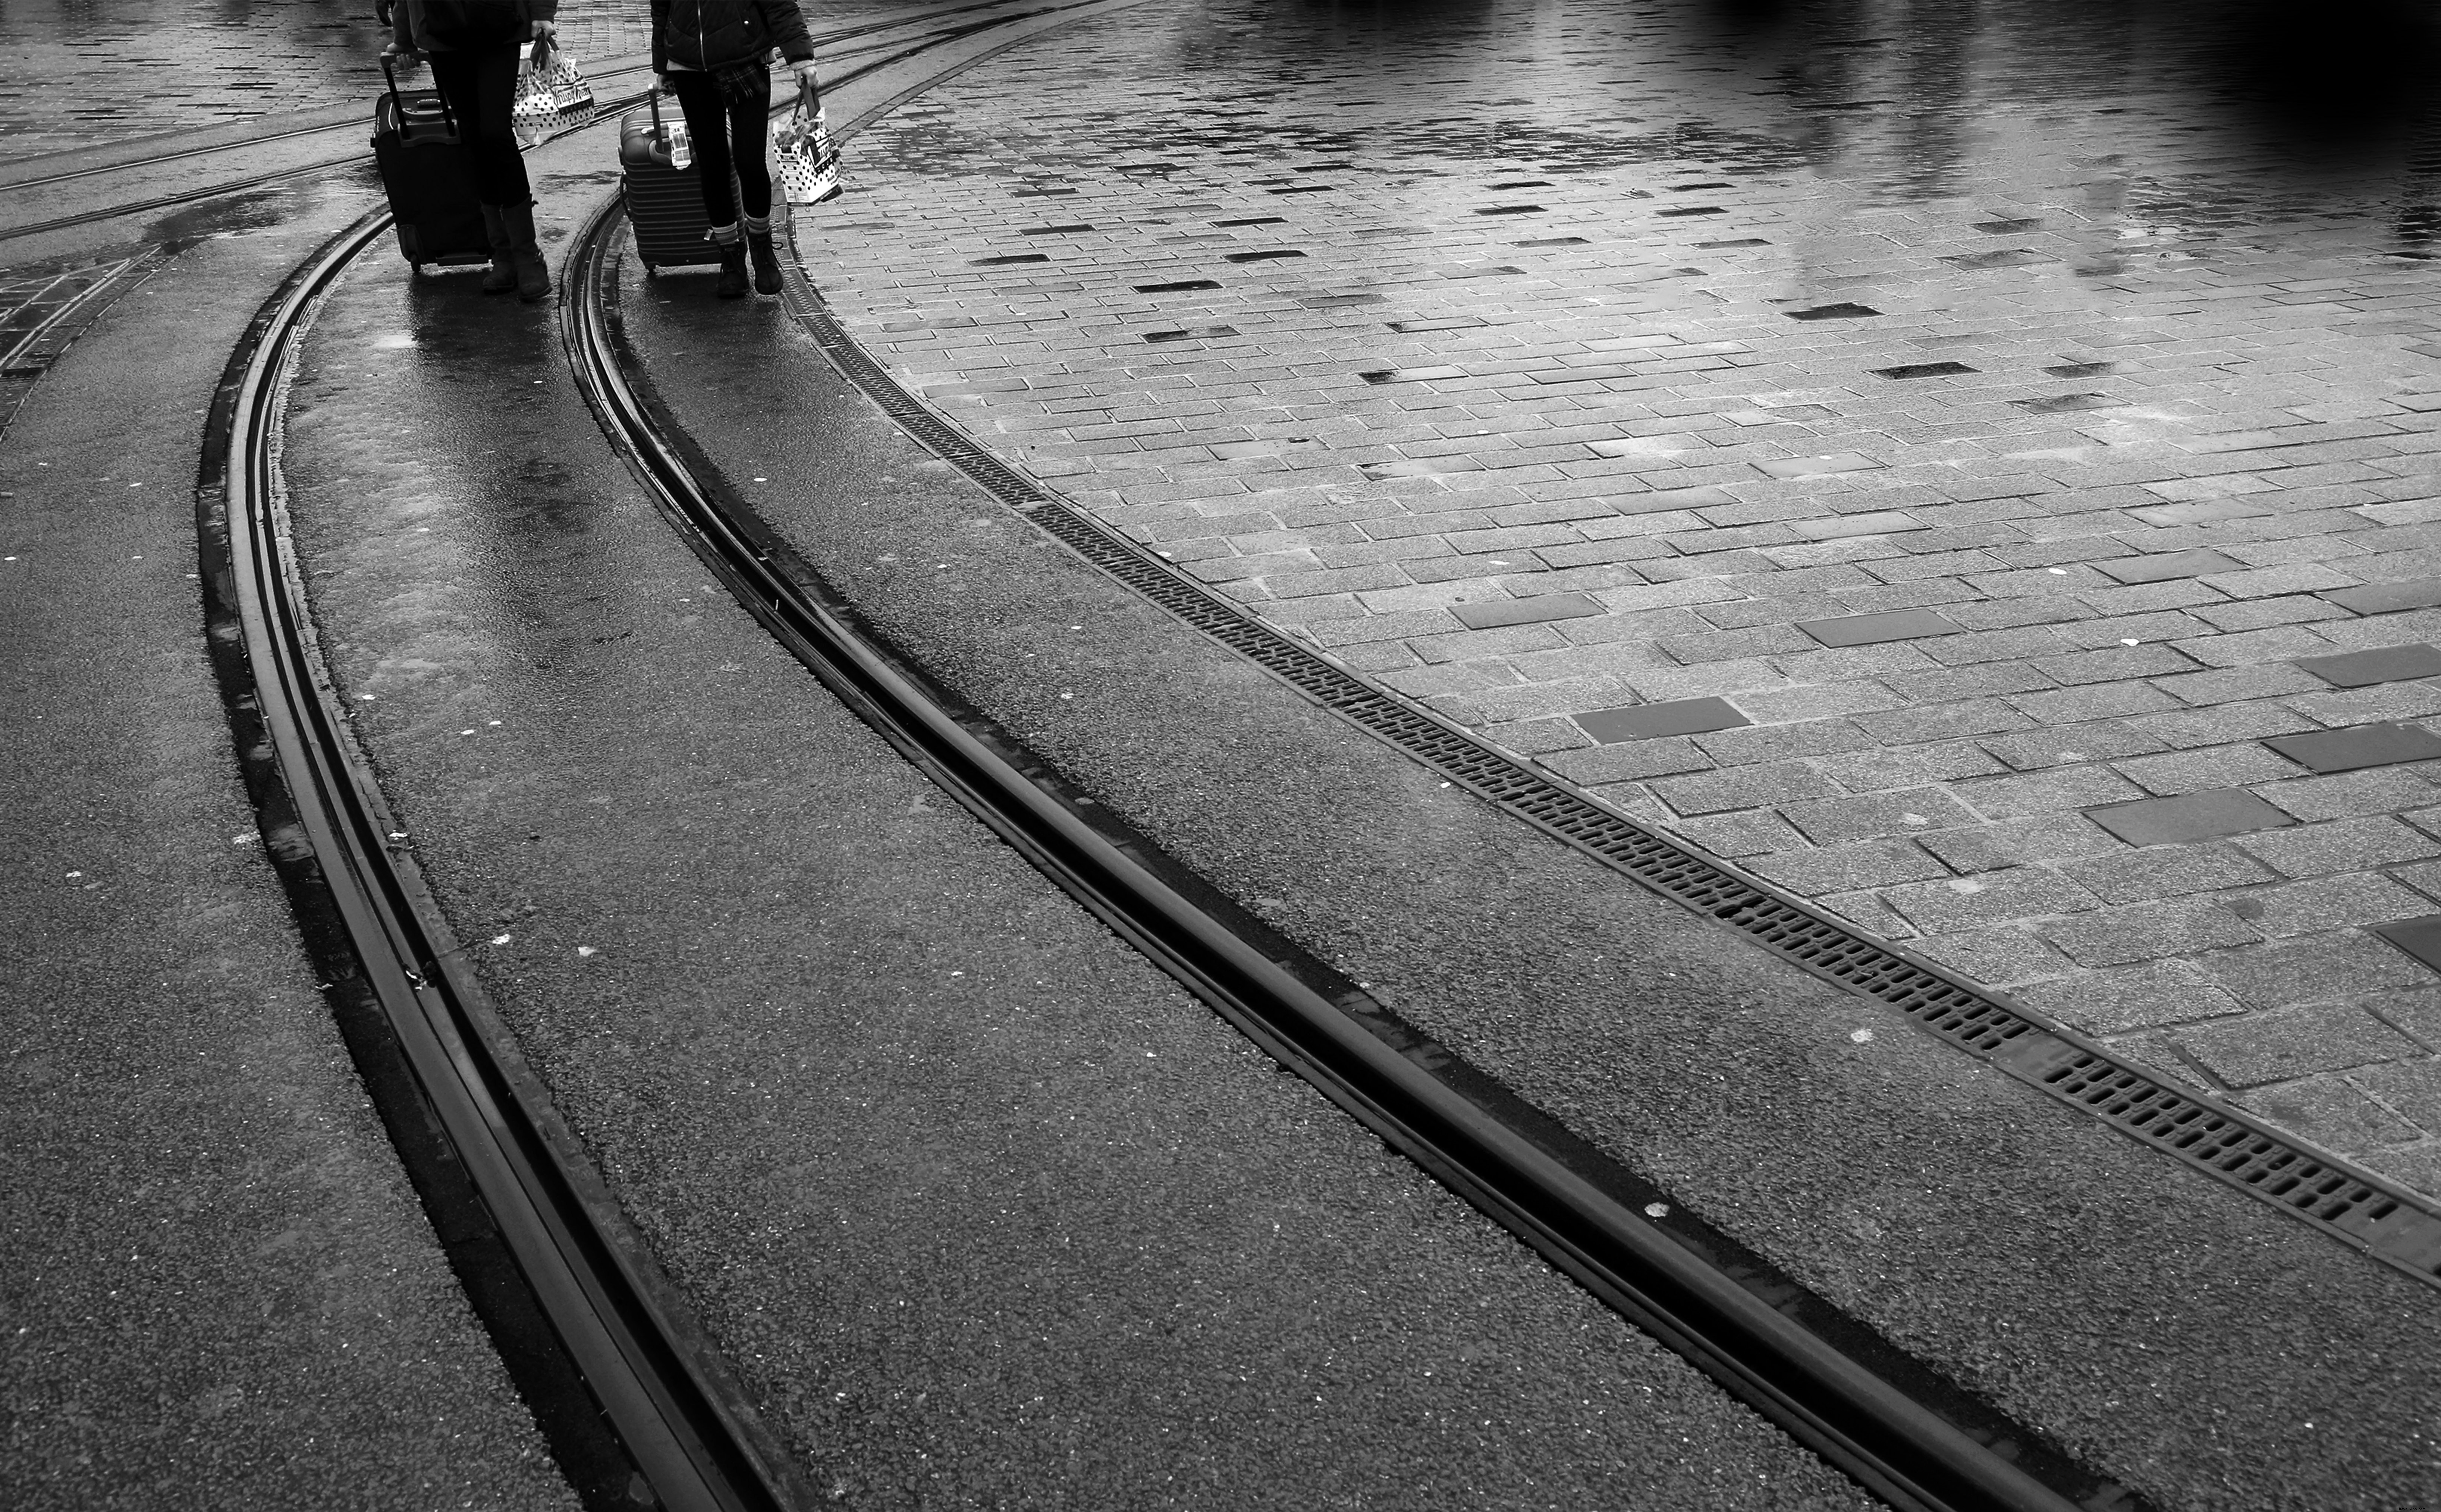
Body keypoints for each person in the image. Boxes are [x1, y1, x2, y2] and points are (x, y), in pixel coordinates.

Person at [384, 1, 560, 302]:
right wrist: (404, 37)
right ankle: (502, 256)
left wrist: (542, 13)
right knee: (474, 139)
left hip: (498, 22)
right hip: (443, 30)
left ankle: (527, 256)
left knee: (495, 133)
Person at [650, 1, 819, 298]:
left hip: (746, 57)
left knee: (750, 161)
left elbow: (779, 4)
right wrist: (662, 63)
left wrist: (801, 58)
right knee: (712, 164)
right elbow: (662, 7)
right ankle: (730, 255)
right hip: (689, 65)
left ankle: (762, 247)